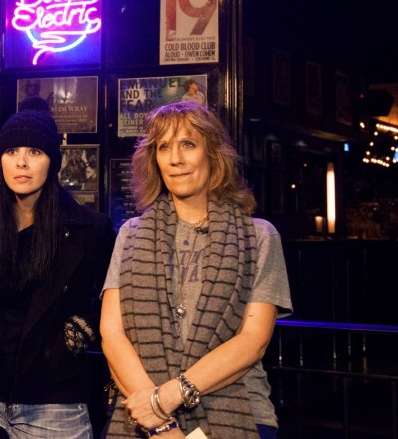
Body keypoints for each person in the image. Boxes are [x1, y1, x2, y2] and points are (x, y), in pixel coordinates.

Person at [100, 101, 291, 439]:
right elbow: (112, 335)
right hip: (142, 418)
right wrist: (160, 424)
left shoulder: (259, 236)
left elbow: (253, 341)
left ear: (213, 154)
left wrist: (165, 399)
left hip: (238, 412)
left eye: (188, 144)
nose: (175, 159)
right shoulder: (130, 233)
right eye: (164, 147)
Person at [0, 96, 117, 439]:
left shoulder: (90, 229)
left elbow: (110, 299)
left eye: (35, 152)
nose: (21, 163)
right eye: (11, 152)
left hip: (54, 391)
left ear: (53, 162)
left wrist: (79, 332)